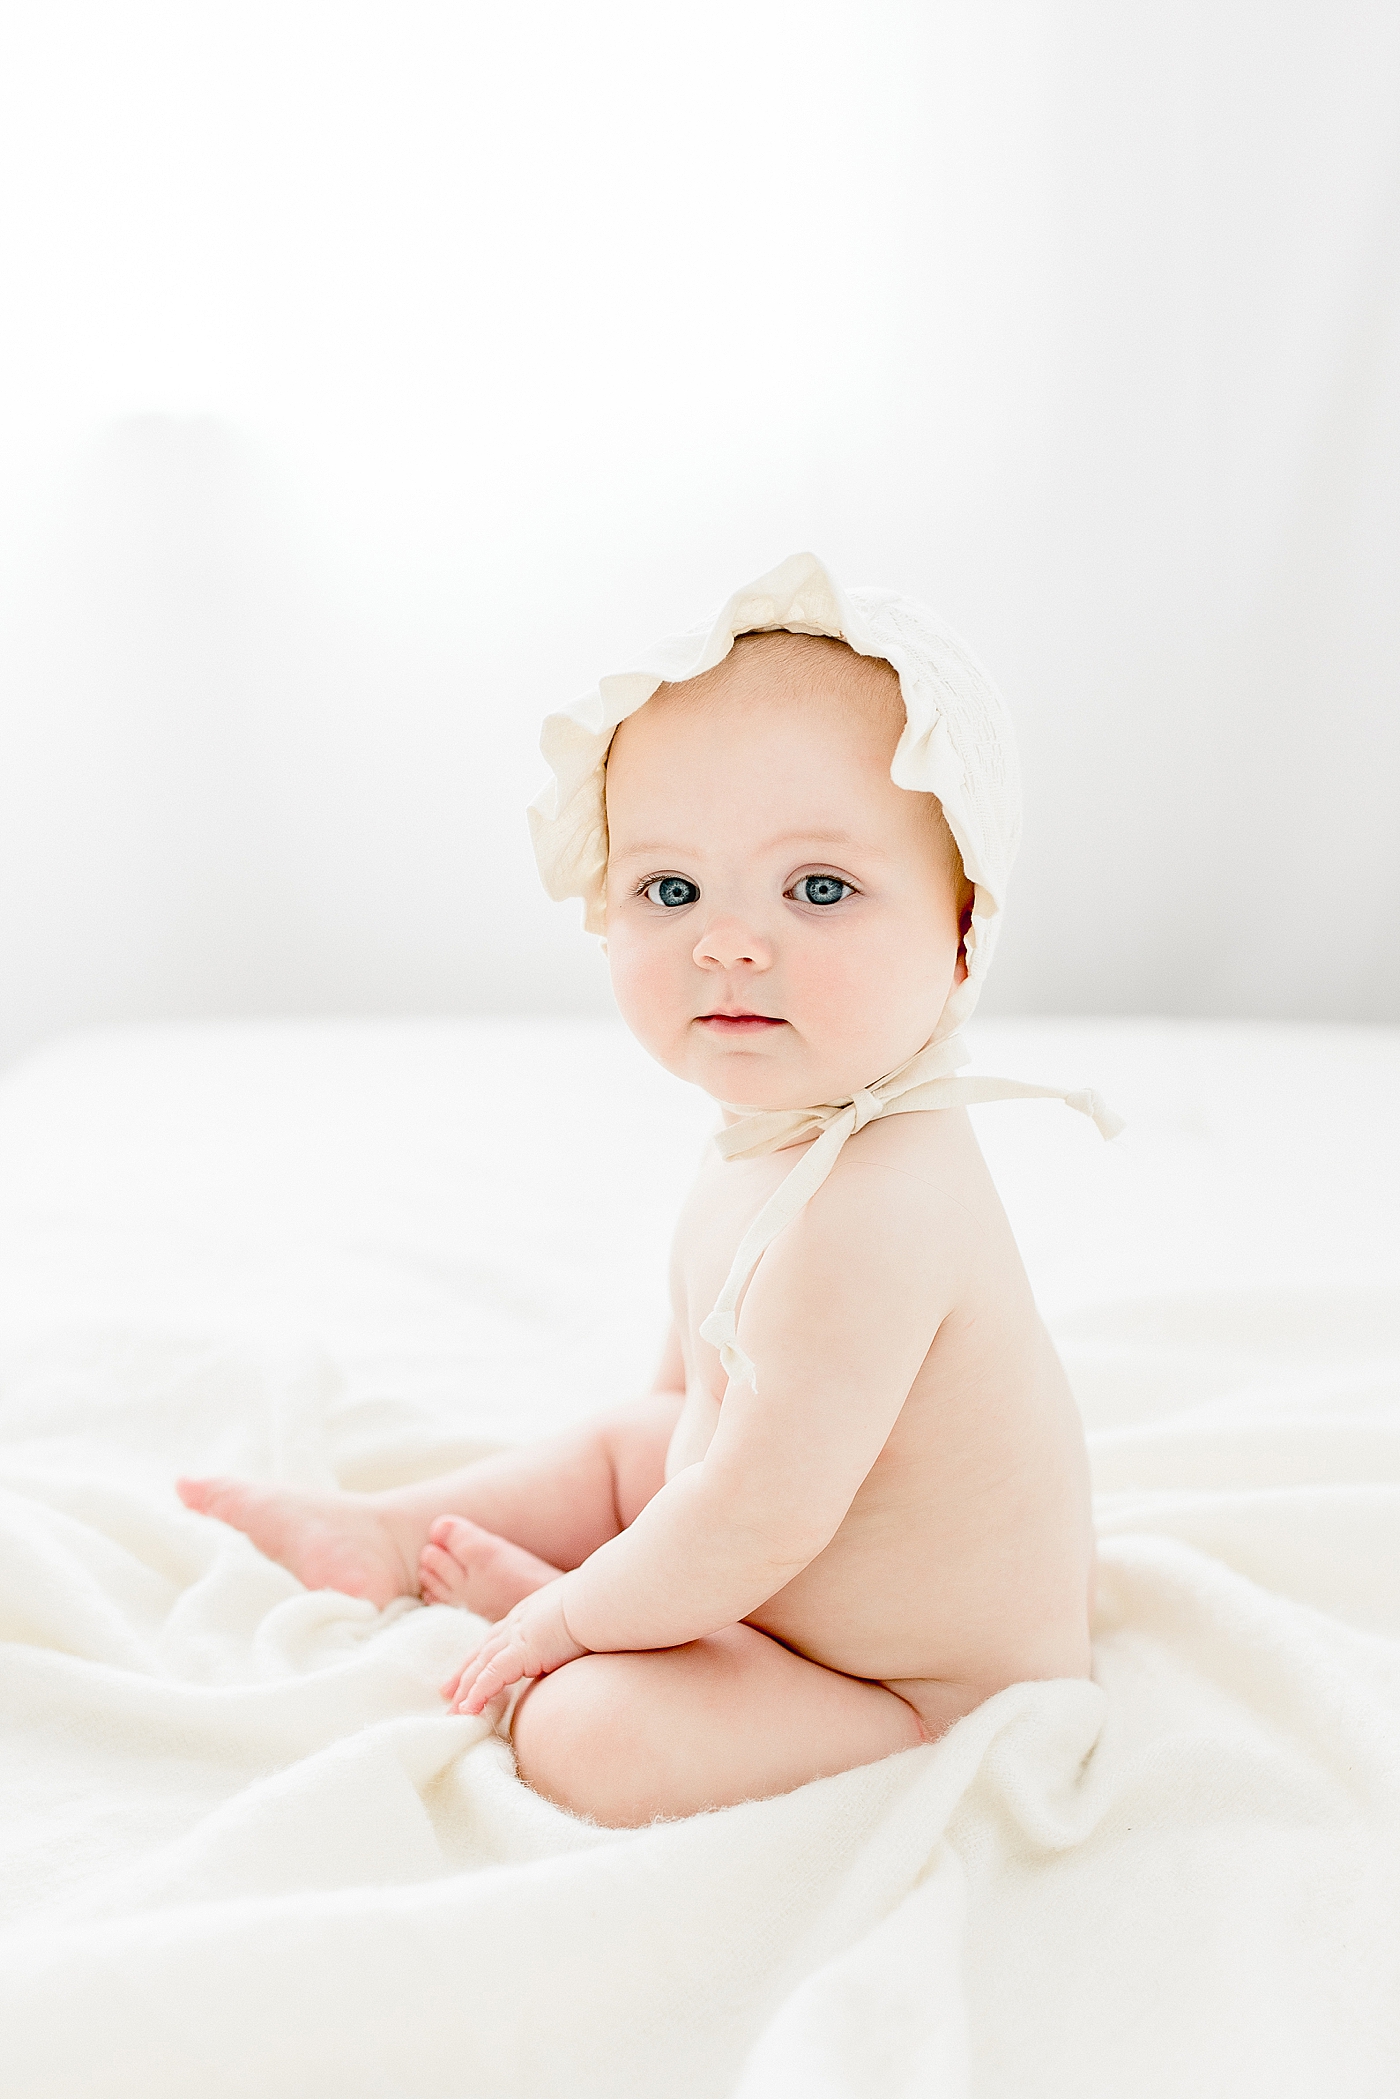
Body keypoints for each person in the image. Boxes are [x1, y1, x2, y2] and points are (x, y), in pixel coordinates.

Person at [178, 553, 1118, 1828]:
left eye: (819, 888)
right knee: (636, 1438)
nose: (728, 939)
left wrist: (566, 1612)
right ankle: (395, 1530)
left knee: (589, 1733)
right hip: (752, 1571)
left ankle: (552, 1609)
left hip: (904, 1682)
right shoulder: (767, 1134)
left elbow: (754, 1514)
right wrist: (636, 1522)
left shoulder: (875, 1205)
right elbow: (689, 1393)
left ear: (960, 928)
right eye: (669, 888)